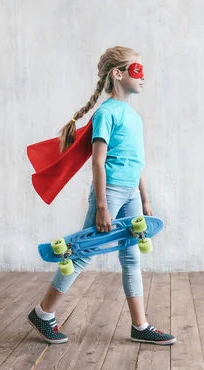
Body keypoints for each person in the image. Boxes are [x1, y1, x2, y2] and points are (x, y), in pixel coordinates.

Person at [27, 46, 176, 345]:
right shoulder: (106, 113)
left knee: (131, 256)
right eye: (137, 69)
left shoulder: (133, 116)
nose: (143, 76)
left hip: (131, 192)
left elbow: (138, 162)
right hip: (109, 193)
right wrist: (102, 206)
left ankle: (140, 325)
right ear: (117, 74)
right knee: (82, 253)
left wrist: (144, 198)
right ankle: (43, 314)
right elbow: (98, 160)